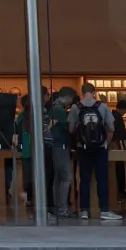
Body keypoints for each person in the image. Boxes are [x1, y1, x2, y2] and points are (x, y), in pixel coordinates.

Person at [68, 82, 121, 221]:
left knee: (84, 179)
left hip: (83, 148)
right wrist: (105, 143)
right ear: (94, 92)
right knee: (102, 179)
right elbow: (111, 128)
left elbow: (71, 129)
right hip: (100, 148)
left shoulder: (75, 107)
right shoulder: (102, 107)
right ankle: (104, 210)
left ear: (81, 92)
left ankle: (84, 210)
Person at [50, 87, 75, 218]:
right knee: (67, 177)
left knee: (58, 178)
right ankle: (62, 208)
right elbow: (70, 129)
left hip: (55, 146)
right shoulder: (60, 111)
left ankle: (58, 207)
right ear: (67, 97)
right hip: (60, 146)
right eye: (70, 99)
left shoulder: (54, 108)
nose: (70, 103)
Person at [112, 100, 126, 199]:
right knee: (120, 168)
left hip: (113, 144)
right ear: (123, 109)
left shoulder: (112, 115)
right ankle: (121, 191)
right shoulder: (118, 117)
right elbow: (120, 134)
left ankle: (119, 190)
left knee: (118, 168)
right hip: (117, 145)